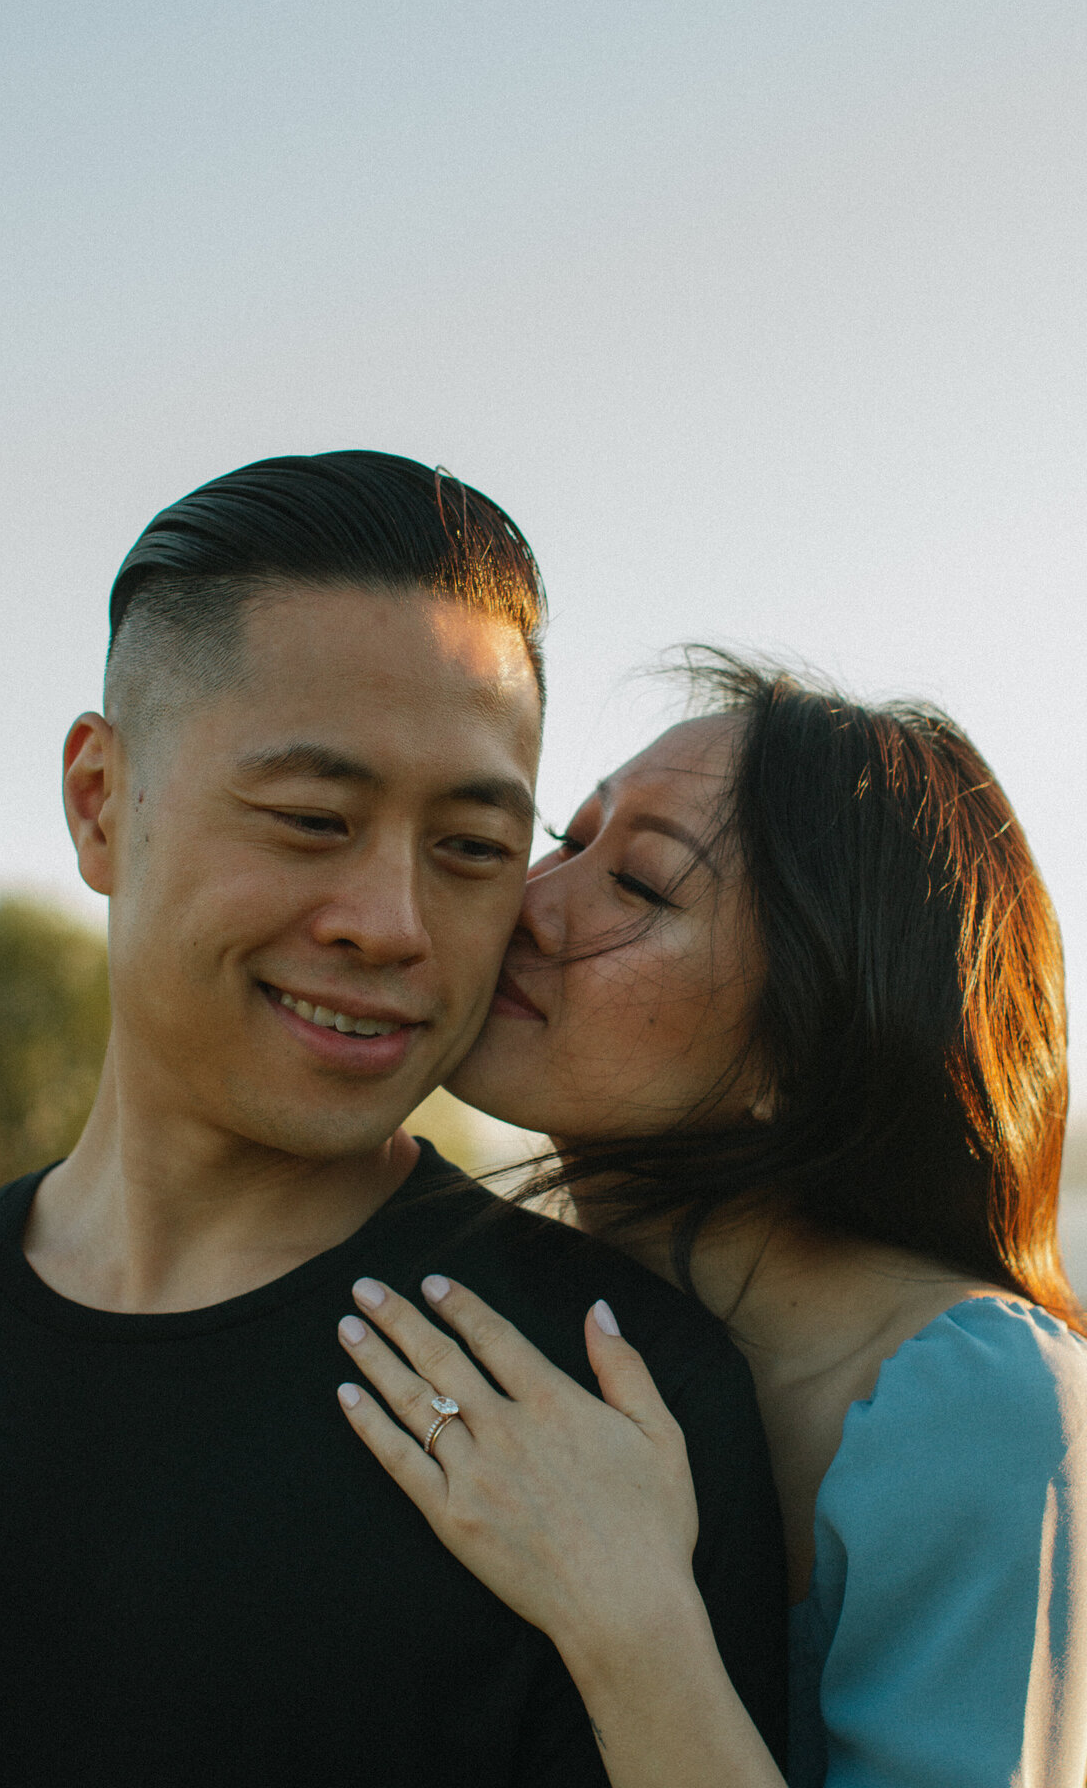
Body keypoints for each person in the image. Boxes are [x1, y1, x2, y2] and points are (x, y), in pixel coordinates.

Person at [0, 464, 787, 1785]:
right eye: (313, 820)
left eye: (473, 847)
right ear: (98, 804)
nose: (395, 923)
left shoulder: (614, 1404)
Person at [336, 653, 1087, 1788]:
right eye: (567, 842)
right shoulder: (541, 1327)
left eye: (638, 885)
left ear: (810, 1041)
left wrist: (629, 1619)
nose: (529, 905)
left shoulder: (996, 1416)